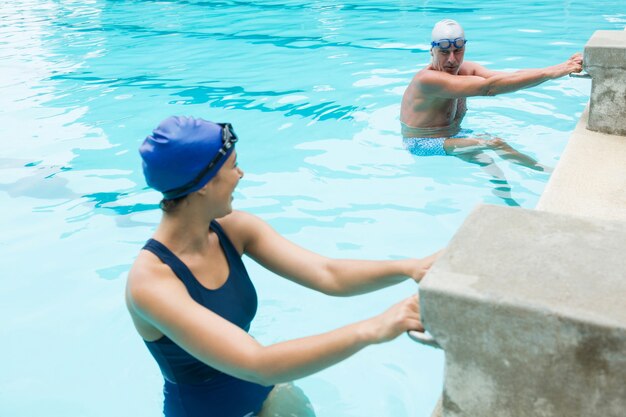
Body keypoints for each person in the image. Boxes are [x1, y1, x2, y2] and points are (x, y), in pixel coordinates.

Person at [126, 116, 440, 417]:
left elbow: (328, 274)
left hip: (266, 392)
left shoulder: (233, 230)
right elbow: (257, 364)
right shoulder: (151, 283)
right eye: (233, 166)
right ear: (205, 184)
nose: (241, 174)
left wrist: (410, 268)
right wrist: (375, 328)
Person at [400, 19, 583, 205]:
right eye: (444, 52)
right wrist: (551, 73)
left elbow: (507, 77)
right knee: (493, 142)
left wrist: (559, 67)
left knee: (487, 162)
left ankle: (508, 201)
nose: (452, 60)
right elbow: (489, 88)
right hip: (422, 142)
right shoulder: (428, 80)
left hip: (452, 134)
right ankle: (547, 173)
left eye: (458, 51)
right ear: (432, 51)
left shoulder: (465, 70)